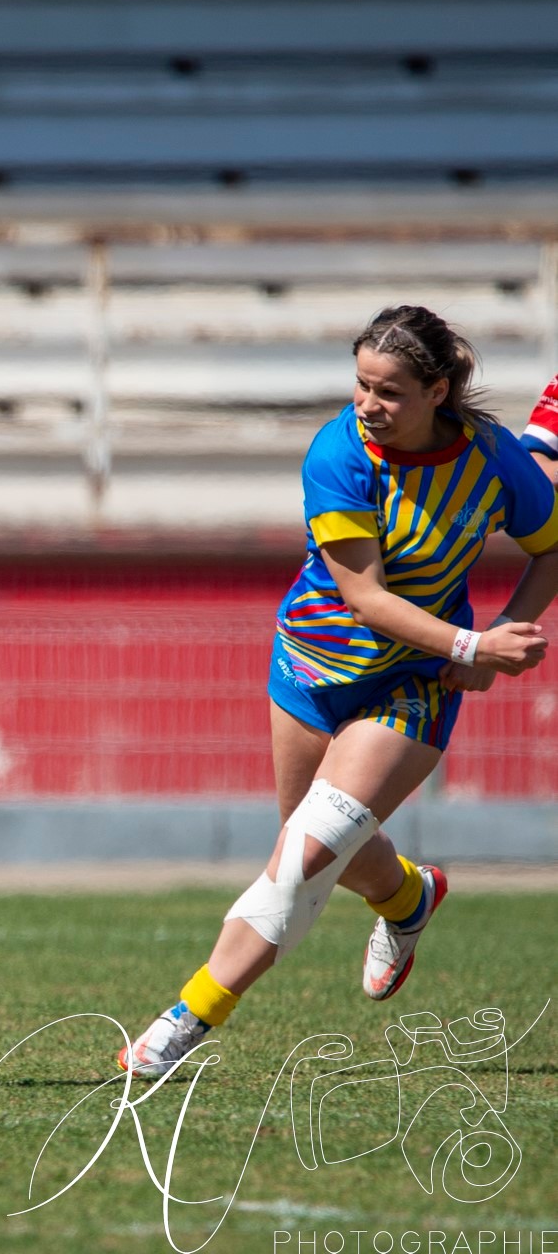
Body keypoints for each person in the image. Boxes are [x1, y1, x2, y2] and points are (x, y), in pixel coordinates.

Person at [120, 306, 558, 1078]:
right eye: (360, 384)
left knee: (304, 857)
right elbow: (364, 596)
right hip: (309, 667)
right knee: (317, 841)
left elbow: (553, 545)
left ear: (438, 391)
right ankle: (407, 899)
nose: (367, 404)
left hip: (411, 683)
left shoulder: (490, 458)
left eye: (389, 391)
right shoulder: (337, 453)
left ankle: (186, 1018)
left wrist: (497, 638)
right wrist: (475, 644)